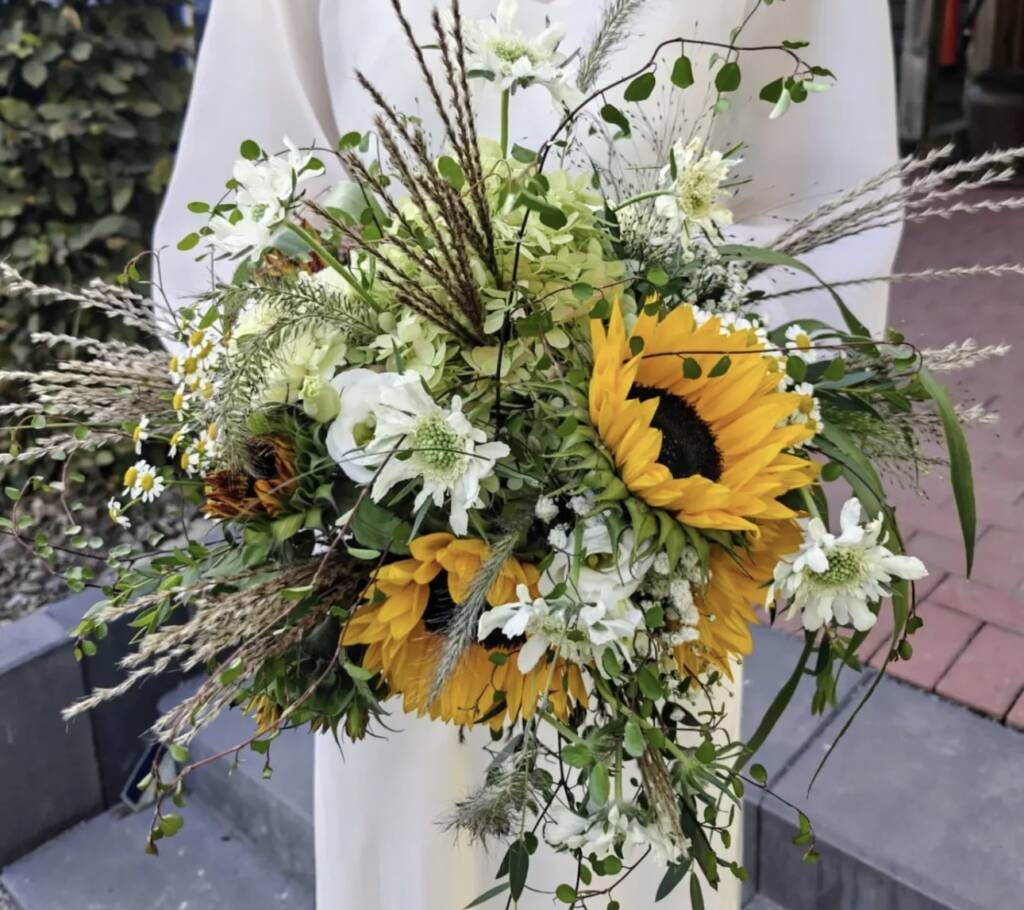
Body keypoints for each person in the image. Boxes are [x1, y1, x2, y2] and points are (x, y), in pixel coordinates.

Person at [154, 2, 900, 906]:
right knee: (411, 848)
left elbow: (815, 196)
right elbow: (251, 175)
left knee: (626, 845)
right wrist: (311, 424)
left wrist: (711, 470)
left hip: (655, 550)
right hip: (392, 564)